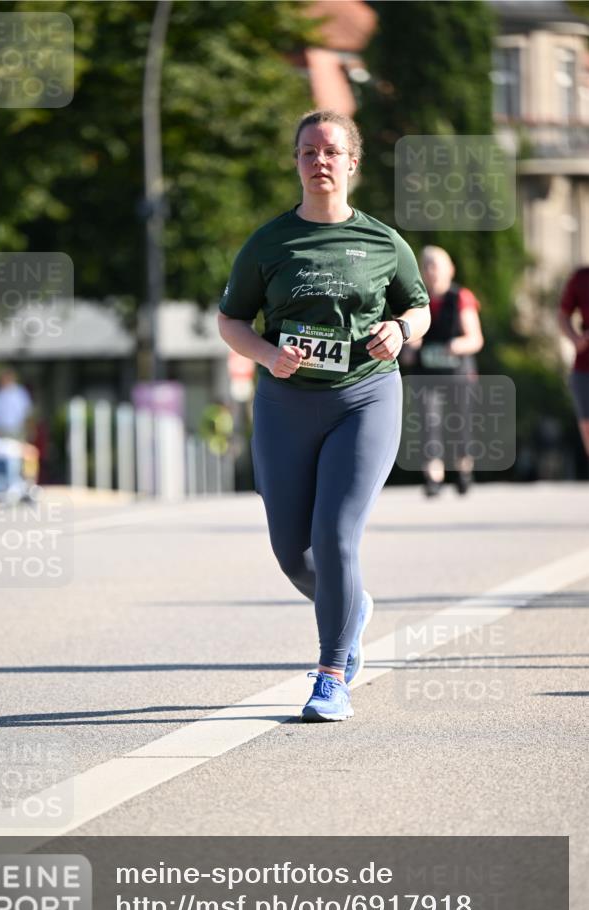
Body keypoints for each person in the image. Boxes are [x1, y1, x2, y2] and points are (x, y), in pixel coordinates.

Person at [218, 110, 430, 722]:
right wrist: (266, 353)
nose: (320, 162)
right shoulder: (268, 242)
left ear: (352, 163)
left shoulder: (383, 242)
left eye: (331, 152)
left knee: (336, 534)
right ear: (296, 161)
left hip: (364, 396)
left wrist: (400, 330)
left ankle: (331, 675)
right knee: (292, 551)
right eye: (308, 152)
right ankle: (352, 607)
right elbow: (231, 319)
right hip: (286, 403)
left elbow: (416, 307)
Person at [403, 246, 484, 497]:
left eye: (435, 265)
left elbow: (475, 339)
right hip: (426, 373)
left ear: (450, 269)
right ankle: (433, 477)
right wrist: (409, 347)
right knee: (429, 423)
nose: (431, 271)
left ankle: (463, 470)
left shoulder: (460, 297)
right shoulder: (415, 301)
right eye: (426, 265)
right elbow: (406, 351)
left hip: (457, 372)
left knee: (460, 423)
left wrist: (454, 346)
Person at [558, 266, 589, 458]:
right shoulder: (581, 278)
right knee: (587, 424)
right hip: (585, 363)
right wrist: (576, 339)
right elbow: (562, 315)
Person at [0, 367, 33, 441]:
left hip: (16, 431)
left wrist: (29, 431)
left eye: (6, 378)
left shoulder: (20, 393)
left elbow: (27, 412)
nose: (4, 380)